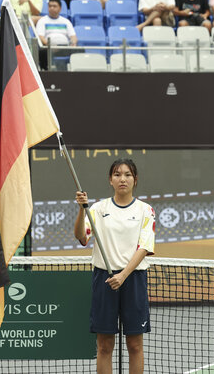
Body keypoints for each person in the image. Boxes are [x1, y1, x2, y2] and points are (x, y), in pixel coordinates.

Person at [73, 159, 155, 374]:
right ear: (110, 180)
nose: (122, 179)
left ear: (135, 180)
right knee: (104, 345)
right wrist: (83, 210)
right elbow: (82, 237)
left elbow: (144, 246)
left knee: (135, 346)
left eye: (128, 175)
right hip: (104, 279)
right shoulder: (99, 209)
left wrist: (124, 275)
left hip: (134, 279)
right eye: (117, 175)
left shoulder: (145, 210)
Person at [36, 0, 77, 69]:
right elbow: (40, 37)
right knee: (43, 53)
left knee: (79, 50)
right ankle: (46, 72)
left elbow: (73, 36)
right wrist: (51, 46)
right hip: (49, 47)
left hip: (65, 47)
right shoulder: (42, 20)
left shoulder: (66, 21)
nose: (52, 8)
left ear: (60, 8)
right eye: (50, 6)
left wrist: (73, 43)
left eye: (54, 6)